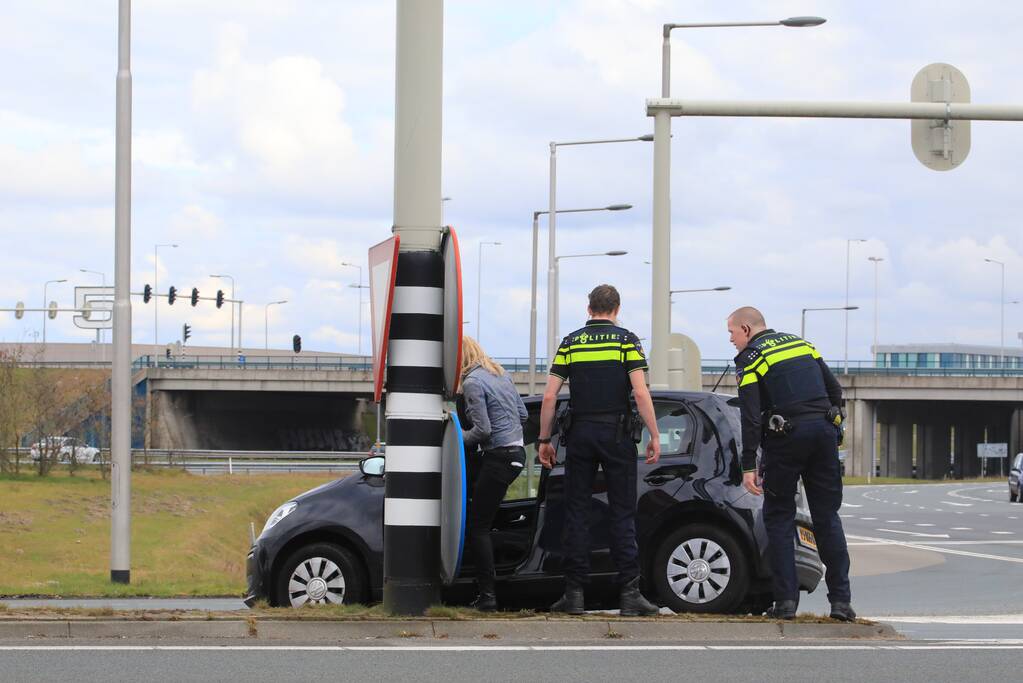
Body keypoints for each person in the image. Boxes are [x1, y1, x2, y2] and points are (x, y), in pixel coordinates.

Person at [537, 284, 661, 616]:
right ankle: (630, 595)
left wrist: (544, 440)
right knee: (622, 513)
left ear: (589, 309)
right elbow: (639, 391)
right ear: (616, 309)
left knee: (577, 513)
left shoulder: (571, 342)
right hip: (617, 433)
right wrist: (654, 434)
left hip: (580, 433)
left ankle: (574, 594)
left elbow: (549, 396)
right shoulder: (626, 341)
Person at [726, 306, 855, 621]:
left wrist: (748, 466)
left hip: (787, 438)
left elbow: (750, 416)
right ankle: (841, 603)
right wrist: (834, 429)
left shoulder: (751, 358)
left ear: (746, 328)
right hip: (824, 433)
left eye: (731, 333)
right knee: (827, 517)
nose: (731, 340)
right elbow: (835, 391)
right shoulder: (801, 344)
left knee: (780, 518)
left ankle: (785, 604)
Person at [459, 336, 528, 611]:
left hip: (498, 456)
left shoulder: (472, 383)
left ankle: (487, 597)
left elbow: (482, 431)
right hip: (517, 455)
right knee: (487, 518)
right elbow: (522, 415)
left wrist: (455, 436)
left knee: (478, 527)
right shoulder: (501, 374)